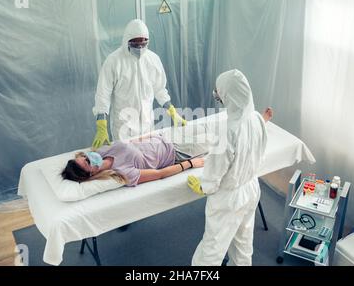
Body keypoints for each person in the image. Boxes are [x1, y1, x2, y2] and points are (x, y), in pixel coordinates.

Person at [187, 69, 273, 266]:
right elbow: (257, 152)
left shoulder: (227, 131)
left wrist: (203, 186)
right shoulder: (257, 120)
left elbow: (215, 171)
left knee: (212, 249)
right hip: (251, 189)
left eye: (219, 93)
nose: (218, 97)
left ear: (229, 95)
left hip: (229, 199)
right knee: (243, 243)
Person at [92, 19, 186, 149]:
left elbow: (159, 89)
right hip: (123, 128)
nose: (140, 47)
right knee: (126, 161)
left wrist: (171, 110)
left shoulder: (153, 60)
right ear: (127, 41)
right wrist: (101, 124)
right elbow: (103, 94)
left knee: (146, 158)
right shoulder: (114, 61)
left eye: (143, 42)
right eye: (136, 43)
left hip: (147, 125)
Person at [62, 133, 206, 186]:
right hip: (178, 153)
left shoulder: (101, 152)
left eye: (84, 157)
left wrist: (150, 136)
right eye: (87, 162)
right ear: (91, 174)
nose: (89, 157)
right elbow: (160, 174)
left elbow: (130, 143)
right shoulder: (123, 173)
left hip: (164, 137)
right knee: (219, 141)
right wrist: (190, 164)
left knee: (211, 132)